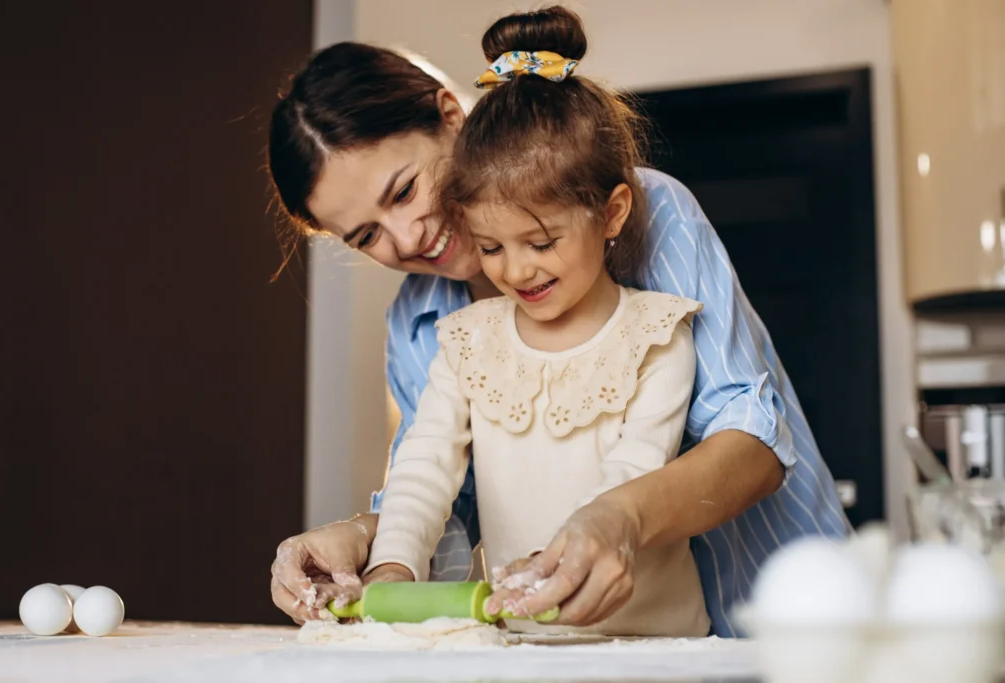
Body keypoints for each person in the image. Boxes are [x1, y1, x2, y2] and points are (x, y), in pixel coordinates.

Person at [267, 7, 850, 637]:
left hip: (783, 609)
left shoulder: (654, 220)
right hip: (579, 649)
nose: (409, 236)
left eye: (404, 191)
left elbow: (753, 443)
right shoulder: (423, 324)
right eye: (366, 235)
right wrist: (365, 543)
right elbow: (446, 496)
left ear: (450, 116)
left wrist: (618, 518)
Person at [362, 26, 711, 636]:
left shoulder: (656, 335)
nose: (516, 270)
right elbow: (424, 465)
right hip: (520, 645)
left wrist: (563, 560)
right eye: (491, 246)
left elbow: (631, 476)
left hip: (655, 648)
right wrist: (392, 565)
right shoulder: (466, 341)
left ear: (612, 213)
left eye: (541, 242)